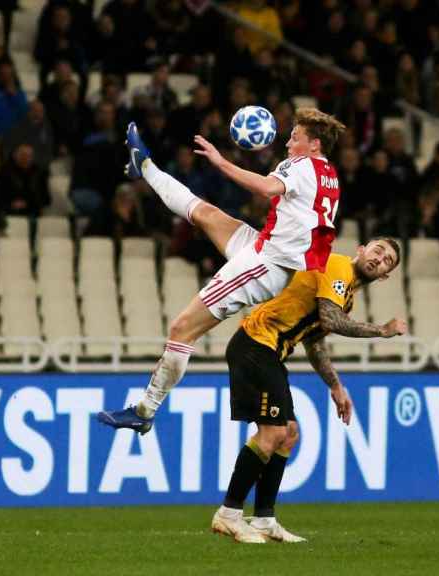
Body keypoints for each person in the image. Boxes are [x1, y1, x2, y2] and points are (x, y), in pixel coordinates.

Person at [98, 107, 346, 434]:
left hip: (264, 265)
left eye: (294, 138)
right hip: (267, 250)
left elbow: (267, 189)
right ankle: (144, 165)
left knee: (182, 327)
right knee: (206, 214)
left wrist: (221, 162)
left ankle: (146, 409)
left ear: (314, 144)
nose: (288, 144)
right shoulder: (329, 173)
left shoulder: (302, 165)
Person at [214, 238, 406, 544]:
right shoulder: (339, 266)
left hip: (269, 350)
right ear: (361, 250)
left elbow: (314, 341)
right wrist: (381, 330)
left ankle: (264, 518)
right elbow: (331, 319)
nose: (379, 258)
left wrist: (335, 385)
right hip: (255, 343)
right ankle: (229, 513)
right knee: (273, 433)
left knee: (288, 432)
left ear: (385, 276)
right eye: (377, 250)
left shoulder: (345, 295)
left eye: (387, 261)